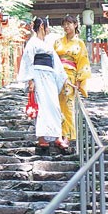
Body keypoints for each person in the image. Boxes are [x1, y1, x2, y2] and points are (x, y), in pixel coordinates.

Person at [17, 17, 68, 149]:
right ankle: (41, 137)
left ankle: (57, 136)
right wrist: (31, 80)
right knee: (42, 106)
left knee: (54, 105)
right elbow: (28, 61)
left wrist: (64, 77)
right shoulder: (32, 43)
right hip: (38, 75)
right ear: (41, 27)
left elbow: (55, 61)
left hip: (50, 76)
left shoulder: (47, 44)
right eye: (47, 26)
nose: (48, 29)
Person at [54, 15, 92, 147]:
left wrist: (79, 80)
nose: (66, 27)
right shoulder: (58, 42)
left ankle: (67, 136)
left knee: (68, 105)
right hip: (57, 76)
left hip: (70, 76)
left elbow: (83, 62)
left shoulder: (80, 43)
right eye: (64, 24)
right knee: (55, 104)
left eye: (69, 24)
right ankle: (57, 134)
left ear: (75, 25)